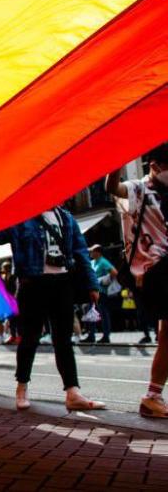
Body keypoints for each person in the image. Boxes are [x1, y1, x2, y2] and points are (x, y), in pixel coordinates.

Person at [0, 205, 105, 411]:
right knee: (29, 339)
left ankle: (72, 391)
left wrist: (92, 284)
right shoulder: (22, 216)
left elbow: (81, 253)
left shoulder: (66, 218)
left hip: (62, 282)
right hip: (33, 283)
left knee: (63, 340)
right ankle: (22, 387)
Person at [107, 145, 168, 418]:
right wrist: (117, 155)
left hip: (163, 270)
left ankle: (152, 396)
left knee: (167, 334)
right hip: (154, 270)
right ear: (154, 167)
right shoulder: (138, 189)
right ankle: (152, 396)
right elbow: (113, 187)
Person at [85, 244, 117, 344]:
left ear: (98, 252)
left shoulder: (103, 261)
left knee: (103, 313)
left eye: (92, 251)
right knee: (90, 312)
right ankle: (91, 335)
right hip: (92, 290)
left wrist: (105, 280)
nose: (90, 253)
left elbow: (114, 272)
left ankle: (106, 336)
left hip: (101, 292)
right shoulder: (92, 262)